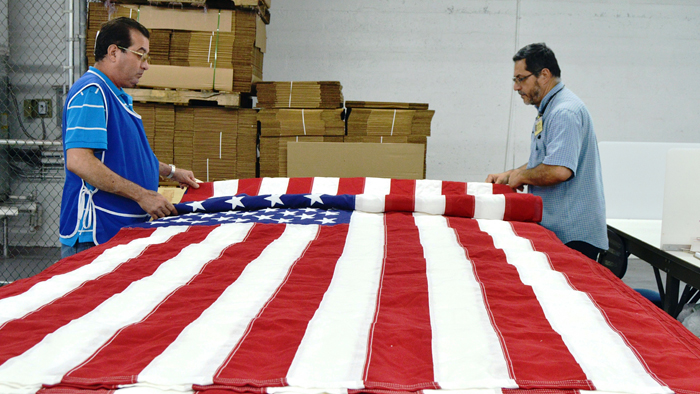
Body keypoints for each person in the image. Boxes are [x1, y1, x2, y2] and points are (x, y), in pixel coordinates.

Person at [59, 17, 199, 258]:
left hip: (118, 230)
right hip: (96, 234)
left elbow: (126, 156)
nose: (145, 65)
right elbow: (80, 160)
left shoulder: (115, 95)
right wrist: (142, 196)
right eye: (140, 55)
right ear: (114, 52)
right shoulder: (92, 92)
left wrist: (170, 172)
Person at [486, 43, 608, 260]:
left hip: (572, 236)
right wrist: (510, 174)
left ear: (544, 75)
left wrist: (521, 176)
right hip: (562, 232)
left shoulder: (564, 112)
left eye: (521, 79)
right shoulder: (551, 108)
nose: (516, 87)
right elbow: (547, 160)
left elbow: (559, 170)